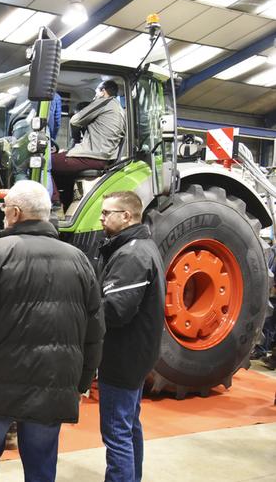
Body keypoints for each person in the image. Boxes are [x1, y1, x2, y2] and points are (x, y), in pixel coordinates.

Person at [0, 180, 104, 481]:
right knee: (42, 469)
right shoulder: (79, 260)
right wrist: (80, 382)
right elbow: (95, 331)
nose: (4, 216)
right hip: (53, 386)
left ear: (16, 213)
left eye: (6, 211)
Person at [96, 191, 165, 482]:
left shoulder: (132, 254)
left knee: (117, 433)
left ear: (126, 216)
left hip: (123, 356)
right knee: (128, 426)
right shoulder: (141, 246)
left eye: (106, 212)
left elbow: (115, 311)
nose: (101, 218)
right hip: (136, 353)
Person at [52, 80, 126, 209]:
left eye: (96, 92)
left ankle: (54, 203)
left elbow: (75, 121)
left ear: (103, 92)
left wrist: (75, 140)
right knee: (63, 171)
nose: (94, 96)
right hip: (103, 158)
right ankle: (67, 204)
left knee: (44, 162)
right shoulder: (119, 109)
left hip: (90, 156)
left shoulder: (105, 102)